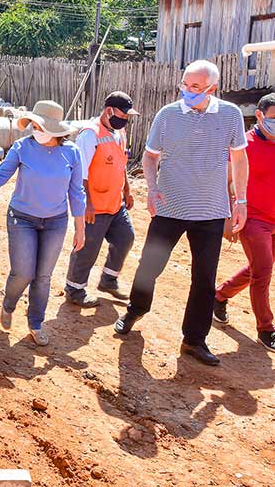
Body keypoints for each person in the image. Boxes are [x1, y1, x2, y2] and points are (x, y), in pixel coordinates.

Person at [114, 60, 249, 367]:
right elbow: (150, 157)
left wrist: (240, 201)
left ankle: (194, 339)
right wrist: (150, 188)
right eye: (185, 85)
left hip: (212, 209)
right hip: (170, 205)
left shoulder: (230, 115)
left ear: (212, 88)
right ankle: (135, 308)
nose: (187, 91)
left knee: (204, 277)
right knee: (151, 264)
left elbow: (239, 160)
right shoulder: (167, 115)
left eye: (195, 87)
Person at [0, 100, 86, 346]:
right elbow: (1, 174)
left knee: (43, 276)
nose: (34, 129)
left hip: (56, 222)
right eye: (33, 124)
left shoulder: (71, 152)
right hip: (22, 218)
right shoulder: (22, 147)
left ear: (54, 129)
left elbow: (76, 192)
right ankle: (9, 304)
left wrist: (80, 228)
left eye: (39, 126)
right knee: (23, 272)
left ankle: (36, 323)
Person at [64, 92, 139, 307]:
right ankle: (74, 290)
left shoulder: (119, 132)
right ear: (109, 111)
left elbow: (120, 162)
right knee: (87, 248)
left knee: (126, 238)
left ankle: (108, 280)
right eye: (123, 115)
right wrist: (86, 203)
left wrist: (127, 189)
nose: (125, 120)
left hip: (115, 203)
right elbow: (80, 173)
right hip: (94, 206)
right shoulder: (89, 135)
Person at [213, 93, 275, 352]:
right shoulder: (244, 145)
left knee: (259, 266)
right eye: (274, 117)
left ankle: (218, 296)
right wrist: (228, 216)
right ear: (259, 116)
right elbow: (225, 182)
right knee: (263, 270)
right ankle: (266, 328)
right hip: (253, 218)